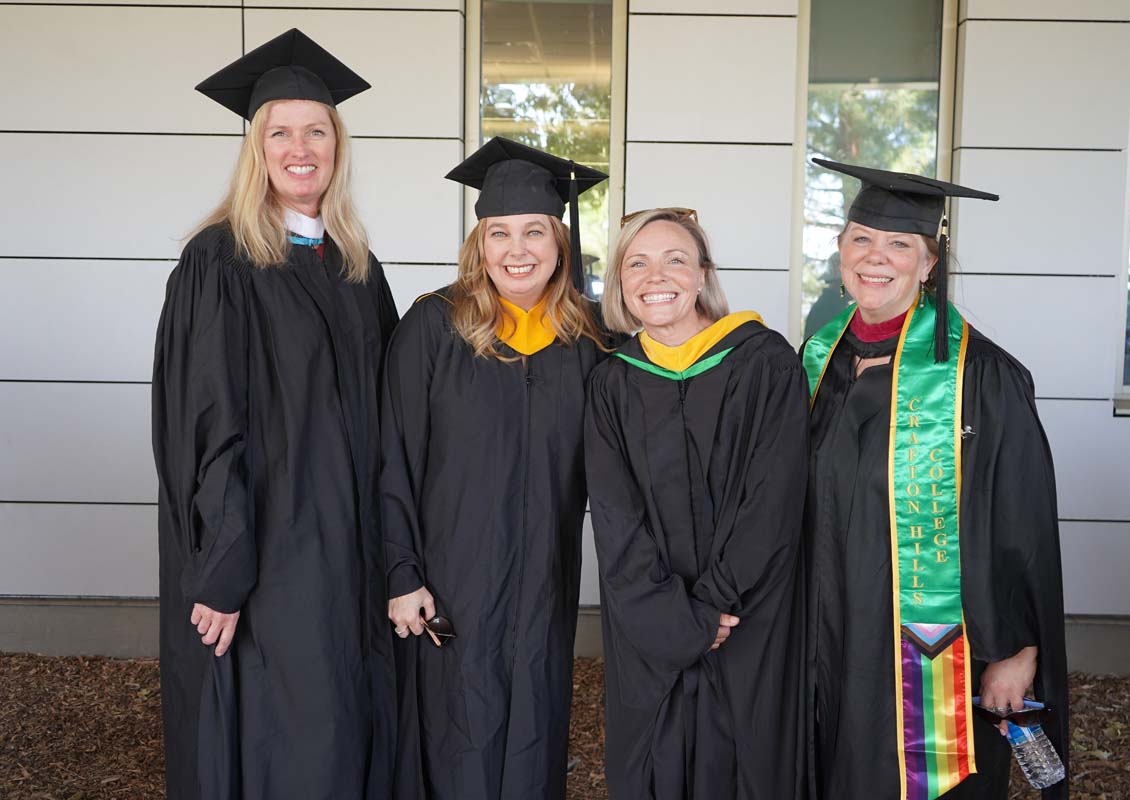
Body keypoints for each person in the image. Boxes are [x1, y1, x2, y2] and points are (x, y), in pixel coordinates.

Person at [152, 29, 398, 799]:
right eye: (280, 132)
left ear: (338, 144)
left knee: (346, 720)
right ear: (255, 148)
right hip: (271, 553)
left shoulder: (356, 265)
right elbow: (208, 418)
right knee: (285, 736)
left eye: (316, 130)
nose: (301, 148)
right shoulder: (220, 261)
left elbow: (393, 409)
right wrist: (224, 570)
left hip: (350, 549)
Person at [800, 159, 1069, 800]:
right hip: (826, 637)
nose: (876, 257)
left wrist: (1016, 647)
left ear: (928, 264)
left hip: (933, 653)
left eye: (900, 244)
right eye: (861, 239)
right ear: (840, 251)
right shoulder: (815, 362)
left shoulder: (983, 378)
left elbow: (1022, 522)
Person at [381, 137, 609, 800]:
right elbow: (392, 458)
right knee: (458, 732)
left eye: (535, 231)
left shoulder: (590, 340)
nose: (518, 250)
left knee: (537, 722)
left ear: (559, 243)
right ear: (479, 245)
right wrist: (403, 575)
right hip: (453, 581)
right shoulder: (433, 327)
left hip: (545, 576)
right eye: (499, 232)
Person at [585, 208, 809, 799]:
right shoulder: (613, 381)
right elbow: (614, 515)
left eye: (675, 259)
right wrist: (673, 618)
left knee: (744, 762)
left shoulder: (765, 363)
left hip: (747, 617)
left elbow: (773, 498)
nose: (655, 275)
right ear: (620, 283)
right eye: (637, 262)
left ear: (703, 273)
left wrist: (710, 608)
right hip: (649, 623)